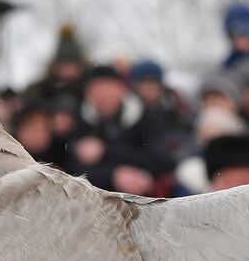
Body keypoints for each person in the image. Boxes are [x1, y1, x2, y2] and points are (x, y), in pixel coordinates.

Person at [65, 65, 171, 194]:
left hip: (144, 195)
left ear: (122, 89)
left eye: (106, 88)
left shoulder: (146, 118)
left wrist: (105, 151)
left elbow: (161, 160)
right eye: (94, 89)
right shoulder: (80, 122)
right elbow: (72, 169)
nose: (101, 95)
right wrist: (112, 176)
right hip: (96, 199)